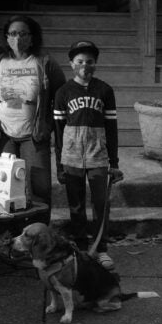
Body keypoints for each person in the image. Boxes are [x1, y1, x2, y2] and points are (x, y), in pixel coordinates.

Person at [0, 15, 66, 223]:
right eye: (13, 34)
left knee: (40, 187)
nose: (18, 38)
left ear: (32, 38)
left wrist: (48, 126)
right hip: (3, 135)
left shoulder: (45, 63)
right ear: (6, 38)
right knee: (6, 188)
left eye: (23, 33)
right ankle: (13, 236)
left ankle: (40, 234)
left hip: (33, 136)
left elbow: (61, 98)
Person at [53, 40, 124, 270]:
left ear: (96, 63)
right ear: (71, 63)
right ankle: (82, 248)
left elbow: (111, 128)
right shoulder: (63, 92)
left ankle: (101, 249)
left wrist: (114, 162)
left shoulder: (104, 90)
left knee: (100, 203)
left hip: (98, 156)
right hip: (72, 157)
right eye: (80, 61)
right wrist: (59, 166)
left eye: (90, 62)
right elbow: (58, 131)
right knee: (76, 205)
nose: (85, 66)